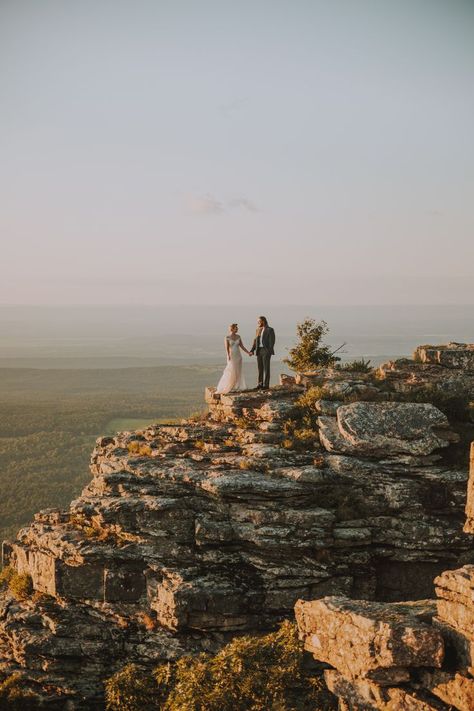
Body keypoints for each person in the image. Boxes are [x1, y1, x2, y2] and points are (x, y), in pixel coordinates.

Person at [216, 323, 251, 394]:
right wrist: (228, 355)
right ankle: (230, 385)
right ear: (232, 329)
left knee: (238, 371)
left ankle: (237, 385)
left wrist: (248, 352)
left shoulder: (238, 336)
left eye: (237, 328)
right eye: (236, 328)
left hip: (238, 356)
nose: (237, 329)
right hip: (232, 355)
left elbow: (242, 346)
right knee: (231, 370)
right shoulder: (227, 337)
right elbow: (226, 348)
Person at [249, 316, 275, 389]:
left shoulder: (270, 330)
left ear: (263, 321)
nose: (258, 323)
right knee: (260, 369)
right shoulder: (258, 329)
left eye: (259, 321)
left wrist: (268, 351)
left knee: (266, 368)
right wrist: (252, 350)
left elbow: (272, 342)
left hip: (266, 351)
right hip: (259, 351)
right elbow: (255, 341)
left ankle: (266, 385)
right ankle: (260, 384)